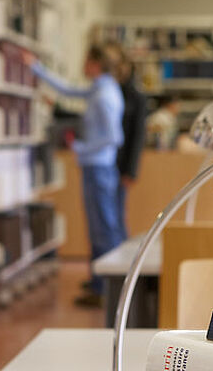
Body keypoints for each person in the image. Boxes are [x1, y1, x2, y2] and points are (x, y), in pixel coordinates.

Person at [23, 45, 124, 307]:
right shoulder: (99, 89)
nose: (82, 64)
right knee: (98, 227)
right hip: (95, 167)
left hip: (99, 168)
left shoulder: (104, 95)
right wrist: (36, 68)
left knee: (103, 229)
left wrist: (81, 147)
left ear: (96, 64)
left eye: (86, 60)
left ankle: (107, 289)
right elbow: (68, 90)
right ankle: (100, 283)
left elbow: (114, 137)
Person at [112, 50, 147, 244]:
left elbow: (138, 136)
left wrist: (131, 171)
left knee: (117, 214)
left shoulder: (137, 98)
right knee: (110, 214)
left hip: (123, 165)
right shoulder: (111, 91)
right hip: (109, 161)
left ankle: (120, 265)